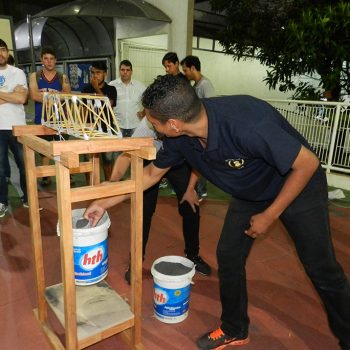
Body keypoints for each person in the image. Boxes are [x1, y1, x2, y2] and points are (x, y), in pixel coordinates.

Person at [85, 75, 350, 350]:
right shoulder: (181, 137)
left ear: (174, 124)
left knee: (321, 268)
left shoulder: (246, 122)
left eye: (154, 123)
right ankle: (235, 328)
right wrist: (104, 202)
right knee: (229, 255)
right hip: (251, 191)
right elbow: (150, 175)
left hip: (298, 185)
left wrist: (270, 215)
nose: (152, 126)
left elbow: (307, 163)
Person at [110, 116, 211, 283]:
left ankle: (193, 255)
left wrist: (191, 188)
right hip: (151, 162)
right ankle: (135, 261)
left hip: (178, 162)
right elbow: (126, 156)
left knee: (191, 206)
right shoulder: (147, 125)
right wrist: (113, 182)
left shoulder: (186, 125)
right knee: (144, 210)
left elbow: (197, 160)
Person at [29, 46, 71, 186]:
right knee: (44, 150)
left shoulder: (62, 77)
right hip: (42, 119)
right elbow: (34, 95)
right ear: (42, 60)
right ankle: (46, 176)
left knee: (63, 148)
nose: (49, 62)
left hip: (61, 119)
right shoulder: (34, 76)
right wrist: (54, 95)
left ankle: (66, 174)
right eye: (46, 58)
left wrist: (44, 94)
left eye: (52, 59)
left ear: (56, 61)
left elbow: (66, 96)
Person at [0, 39, 29, 217]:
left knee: (24, 164)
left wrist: (11, 96)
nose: (0, 53)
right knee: (0, 169)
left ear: (7, 52)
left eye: (2, 49)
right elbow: (16, 96)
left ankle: (28, 198)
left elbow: (21, 99)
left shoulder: (17, 72)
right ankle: (2, 201)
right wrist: (11, 93)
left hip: (18, 127)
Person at [180, 55, 216, 200]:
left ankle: (201, 190)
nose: (185, 73)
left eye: (186, 70)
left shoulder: (205, 84)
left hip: (204, 129)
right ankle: (197, 188)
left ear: (193, 68)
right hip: (196, 128)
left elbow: (211, 106)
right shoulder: (196, 85)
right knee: (196, 159)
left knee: (201, 159)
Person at [81, 61, 117, 180]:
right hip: (90, 130)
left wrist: (96, 88)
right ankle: (89, 188)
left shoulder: (111, 89)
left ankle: (108, 186)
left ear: (105, 74)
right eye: (93, 73)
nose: (95, 75)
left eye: (98, 72)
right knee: (88, 162)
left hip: (106, 130)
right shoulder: (86, 89)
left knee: (107, 161)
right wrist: (83, 128)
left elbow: (109, 104)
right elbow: (83, 110)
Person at [109, 60, 145, 137]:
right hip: (118, 126)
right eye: (122, 70)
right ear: (119, 71)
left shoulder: (139, 86)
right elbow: (106, 103)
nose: (125, 72)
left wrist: (144, 112)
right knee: (119, 148)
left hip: (135, 126)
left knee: (135, 148)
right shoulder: (112, 85)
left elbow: (150, 100)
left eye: (128, 70)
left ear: (131, 72)